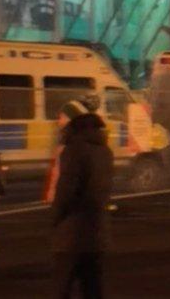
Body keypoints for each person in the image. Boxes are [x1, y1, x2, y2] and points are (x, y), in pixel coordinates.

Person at [51, 96, 114, 299]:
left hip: (72, 233)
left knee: (62, 288)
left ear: (72, 122)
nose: (58, 122)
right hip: (97, 232)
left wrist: (55, 217)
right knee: (93, 288)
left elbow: (66, 192)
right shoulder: (104, 150)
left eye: (61, 118)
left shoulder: (74, 150)